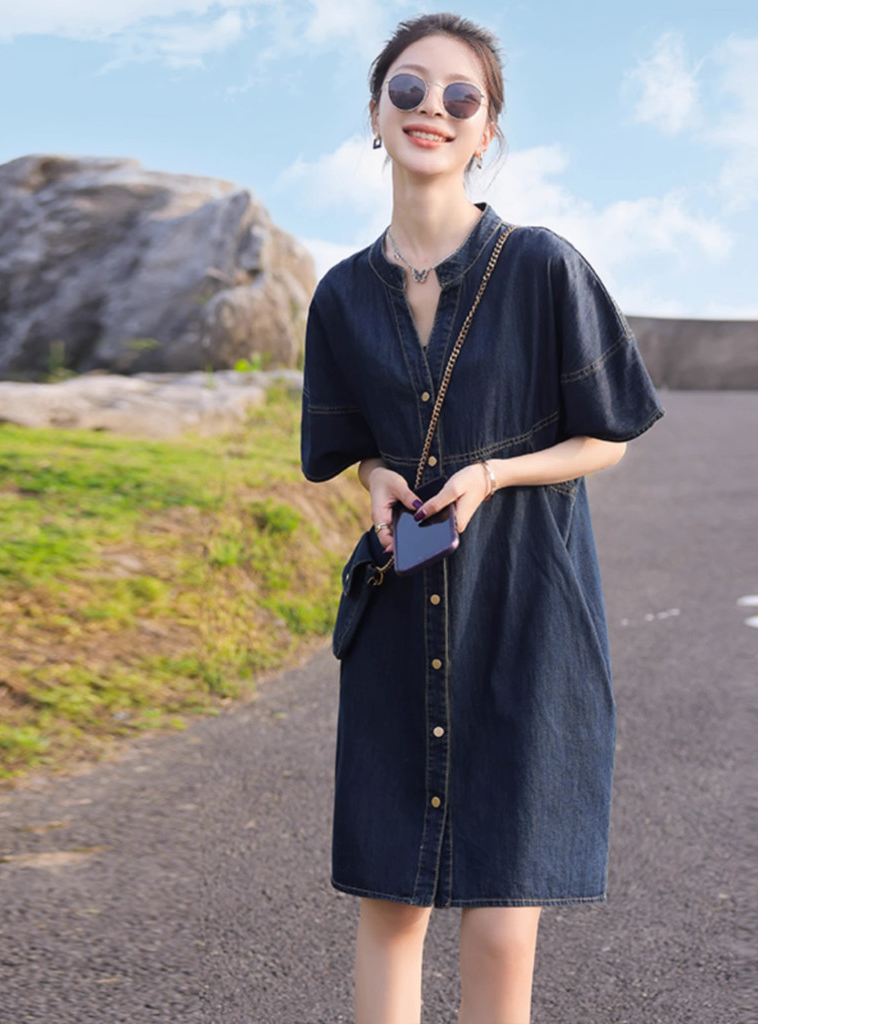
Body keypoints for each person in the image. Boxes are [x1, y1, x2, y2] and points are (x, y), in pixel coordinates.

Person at [300, 12, 664, 1023]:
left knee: (503, 920)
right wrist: (375, 473)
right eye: (409, 88)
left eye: (461, 96)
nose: (433, 108)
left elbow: (607, 438)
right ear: (376, 113)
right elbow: (354, 446)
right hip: (400, 619)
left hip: (526, 617)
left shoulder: (542, 266)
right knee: (391, 903)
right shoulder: (341, 296)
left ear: (486, 130)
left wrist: (495, 474)